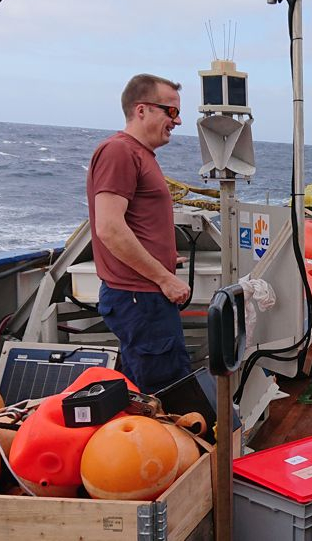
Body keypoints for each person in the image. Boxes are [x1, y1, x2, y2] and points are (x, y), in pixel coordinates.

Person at [87, 73, 193, 393]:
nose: (177, 121)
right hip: (140, 298)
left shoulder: (140, 154)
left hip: (145, 297)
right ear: (142, 110)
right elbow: (109, 228)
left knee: (146, 391)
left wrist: (165, 255)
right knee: (170, 391)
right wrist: (164, 278)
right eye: (171, 111)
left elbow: (133, 222)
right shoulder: (119, 151)